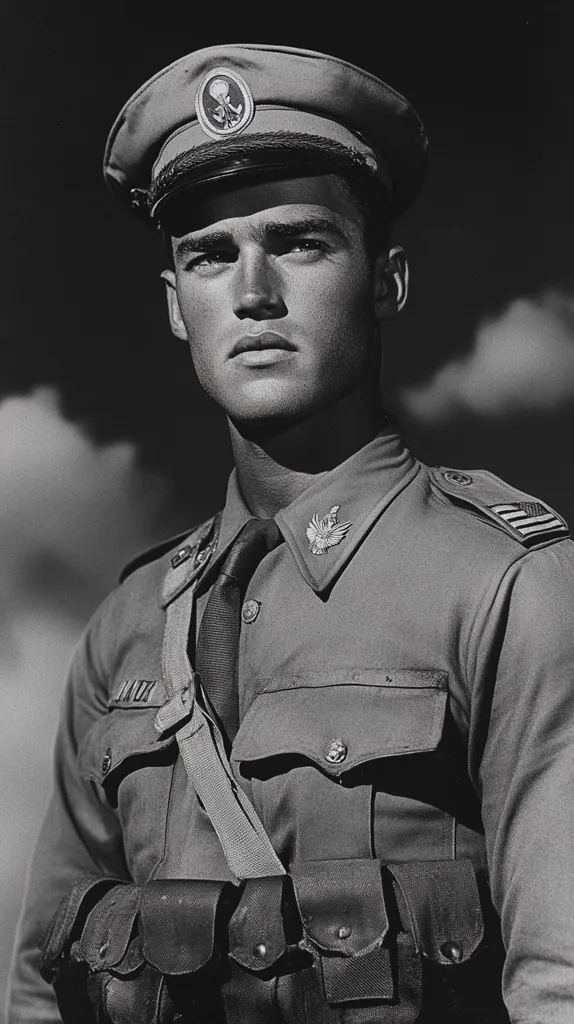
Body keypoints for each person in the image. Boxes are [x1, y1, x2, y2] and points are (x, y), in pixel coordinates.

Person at [7, 43, 574, 1024]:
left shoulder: (507, 583)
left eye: (301, 242)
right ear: (175, 306)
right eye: (209, 255)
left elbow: (560, 985)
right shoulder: (127, 627)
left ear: (386, 279)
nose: (252, 290)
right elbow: (40, 989)